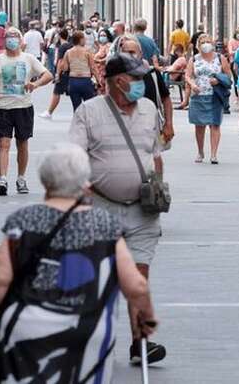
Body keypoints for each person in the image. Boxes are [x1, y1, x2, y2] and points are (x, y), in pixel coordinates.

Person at [0, 144, 157, 382]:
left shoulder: (23, 220)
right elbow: (136, 286)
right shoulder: (104, 225)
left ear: (45, 181)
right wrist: (146, 319)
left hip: (27, 331)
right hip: (87, 330)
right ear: (85, 181)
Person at [69, 53, 167, 365]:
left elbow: (155, 153)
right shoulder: (89, 112)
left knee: (138, 278)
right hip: (100, 208)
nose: (141, 83)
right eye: (135, 78)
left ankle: (141, 342)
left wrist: (157, 186)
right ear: (116, 81)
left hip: (142, 210)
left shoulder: (150, 109)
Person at [0, 28, 53, 195]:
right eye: (8, 37)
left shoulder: (28, 59)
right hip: (2, 108)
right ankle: (3, 179)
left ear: (21, 41)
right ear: (4, 40)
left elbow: (48, 75)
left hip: (23, 107)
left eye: (15, 37)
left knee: (22, 143)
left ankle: (21, 178)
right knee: (3, 143)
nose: (11, 40)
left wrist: (35, 84)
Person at [117, 36, 174, 179]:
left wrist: (169, 124)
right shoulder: (116, 76)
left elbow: (166, 99)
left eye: (133, 52)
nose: (130, 55)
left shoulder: (152, 74)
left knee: (154, 155)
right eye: (126, 52)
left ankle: (157, 183)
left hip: (150, 124)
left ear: (140, 54)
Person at [187, 35, 231, 164]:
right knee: (199, 126)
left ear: (212, 44)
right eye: (202, 42)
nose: (205, 44)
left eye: (208, 42)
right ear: (198, 45)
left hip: (215, 95)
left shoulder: (220, 58)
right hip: (198, 96)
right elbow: (188, 75)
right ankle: (200, 152)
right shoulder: (194, 59)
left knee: (215, 124)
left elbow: (228, 76)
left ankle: (213, 154)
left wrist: (218, 80)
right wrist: (192, 84)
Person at [55, 30, 99, 111]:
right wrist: (99, 81)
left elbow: (65, 68)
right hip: (85, 81)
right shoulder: (87, 51)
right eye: (84, 39)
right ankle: (89, 123)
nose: (85, 40)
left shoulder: (68, 52)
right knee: (90, 107)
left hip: (73, 81)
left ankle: (78, 122)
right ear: (81, 39)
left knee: (76, 108)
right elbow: (93, 68)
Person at [38, 29, 72, 120]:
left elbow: (60, 62)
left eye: (56, 36)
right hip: (70, 72)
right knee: (73, 94)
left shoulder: (62, 47)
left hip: (63, 73)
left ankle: (49, 112)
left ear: (60, 36)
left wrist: (57, 74)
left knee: (56, 92)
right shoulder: (69, 45)